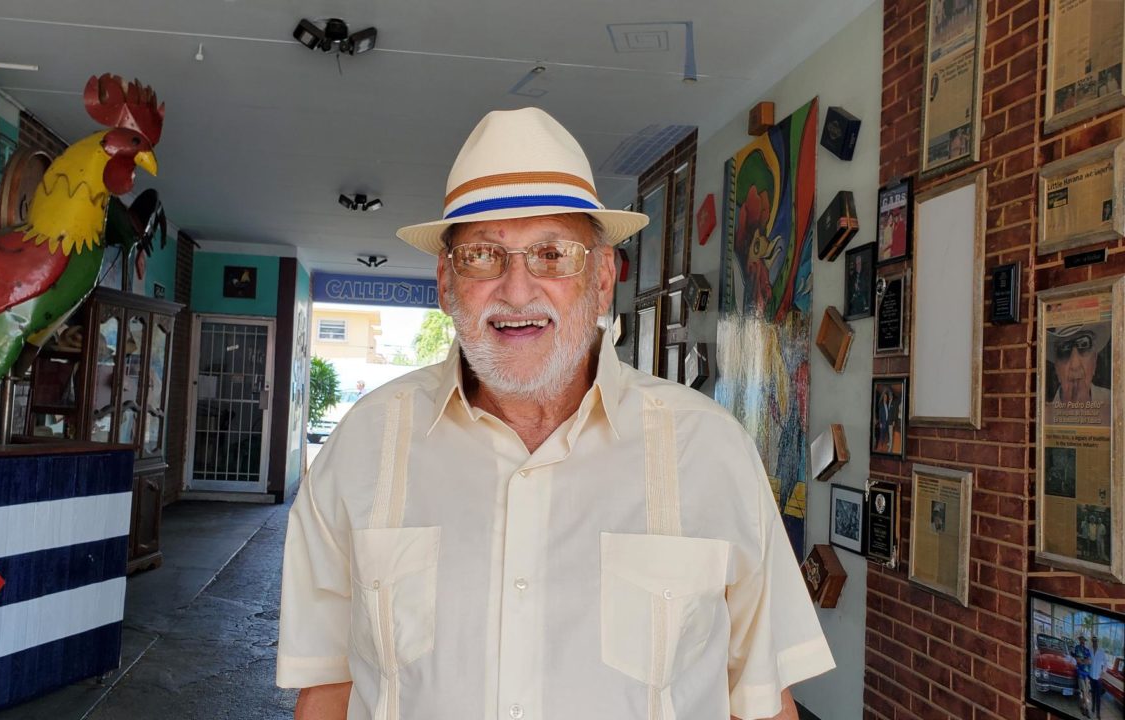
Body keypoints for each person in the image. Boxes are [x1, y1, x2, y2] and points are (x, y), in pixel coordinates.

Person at [276, 108, 835, 719]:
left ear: (601, 279)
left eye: (552, 254)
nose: (517, 290)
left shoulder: (711, 452)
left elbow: (761, 704)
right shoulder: (362, 447)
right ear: (444, 281)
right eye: (483, 256)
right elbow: (327, 692)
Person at [1050, 325, 1110, 403]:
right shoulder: (1045, 412)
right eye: (1064, 349)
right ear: (1056, 367)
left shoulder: (1112, 402)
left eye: (1084, 345)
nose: (1075, 365)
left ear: (1094, 360)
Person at [1074, 635, 1093, 717]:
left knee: (1087, 691)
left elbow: (1089, 661)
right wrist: (1084, 660)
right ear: (1079, 640)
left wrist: (1083, 660)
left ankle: (1082, 706)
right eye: (1081, 640)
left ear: (1085, 641)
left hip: (1087, 674)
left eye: (1084, 640)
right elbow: (1078, 661)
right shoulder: (1077, 648)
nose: (1082, 641)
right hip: (1080, 673)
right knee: (1084, 691)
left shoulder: (1087, 650)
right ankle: (1087, 709)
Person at [1090, 635, 1108, 718]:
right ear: (1092, 641)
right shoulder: (1089, 650)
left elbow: (1106, 663)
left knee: (1098, 696)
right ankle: (1093, 707)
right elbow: (1088, 661)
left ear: (1098, 641)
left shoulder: (1101, 651)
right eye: (1093, 641)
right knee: (1093, 693)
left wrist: (1103, 672)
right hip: (1091, 676)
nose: (1094, 642)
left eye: (1096, 641)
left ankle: (1098, 713)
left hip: (1098, 678)